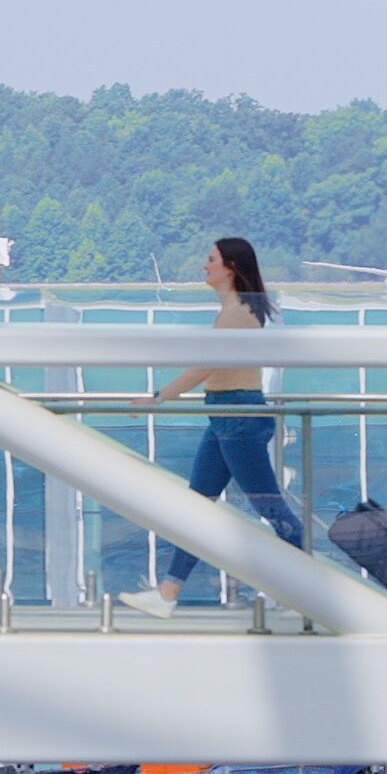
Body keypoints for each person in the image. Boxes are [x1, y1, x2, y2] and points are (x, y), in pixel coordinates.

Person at [118, 238, 304, 618]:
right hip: (225, 416)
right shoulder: (237, 309)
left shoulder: (238, 312)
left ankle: (311, 591)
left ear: (230, 266)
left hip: (238, 417)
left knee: (269, 506)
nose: (205, 266)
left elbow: (206, 366)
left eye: (211, 260)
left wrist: (158, 398)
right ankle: (168, 592)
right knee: (197, 508)